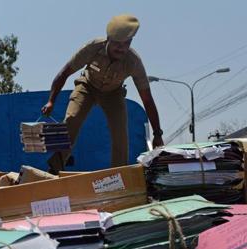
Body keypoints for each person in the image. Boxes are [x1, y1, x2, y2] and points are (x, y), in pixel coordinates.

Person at [42, 14, 164, 174]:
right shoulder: (93, 48)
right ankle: (55, 168)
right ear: (108, 39)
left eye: (125, 44)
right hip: (87, 87)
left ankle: (118, 174)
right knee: (71, 120)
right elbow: (64, 73)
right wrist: (51, 101)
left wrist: (157, 134)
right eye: (116, 44)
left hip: (113, 93)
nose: (120, 48)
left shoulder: (133, 61)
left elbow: (147, 99)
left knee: (120, 132)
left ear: (131, 42)